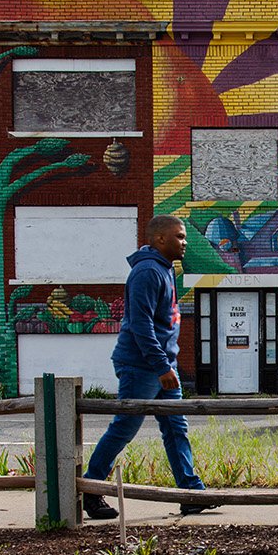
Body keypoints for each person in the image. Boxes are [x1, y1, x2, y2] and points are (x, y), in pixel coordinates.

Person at [82, 214, 217, 519]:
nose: (185, 243)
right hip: (142, 366)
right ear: (160, 239)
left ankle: (191, 493)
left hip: (161, 365)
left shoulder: (163, 270)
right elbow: (141, 325)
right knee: (124, 429)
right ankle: (90, 491)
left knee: (176, 428)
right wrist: (161, 366)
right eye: (180, 237)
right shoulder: (147, 272)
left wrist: (166, 364)